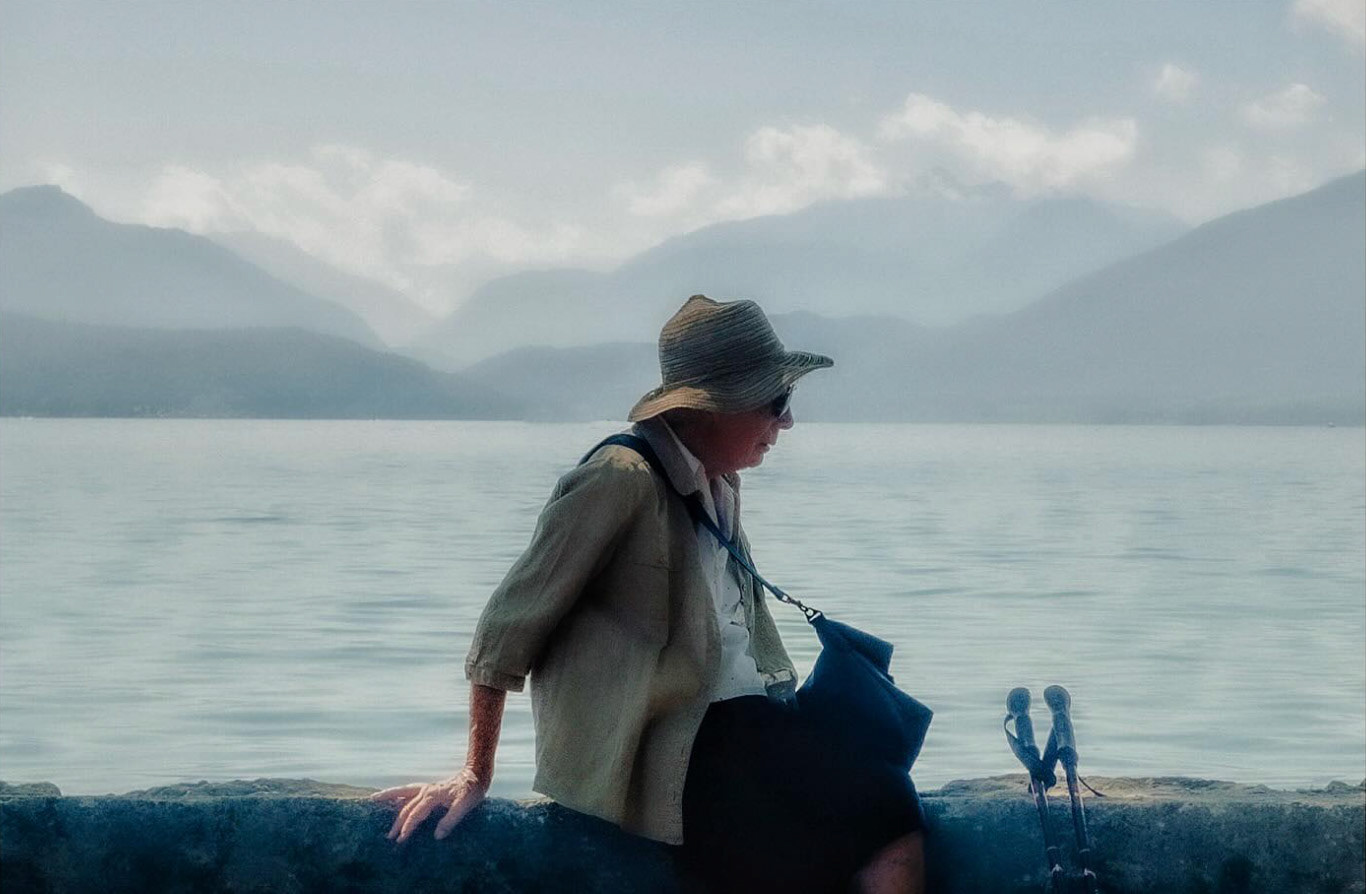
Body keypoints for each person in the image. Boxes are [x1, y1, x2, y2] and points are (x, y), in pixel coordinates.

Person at [373, 295, 926, 893]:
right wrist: (475, 773)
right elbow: (505, 629)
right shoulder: (618, 478)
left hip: (745, 725)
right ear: (712, 406)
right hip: (676, 749)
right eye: (777, 401)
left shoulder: (720, 482)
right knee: (872, 809)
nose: (787, 422)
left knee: (886, 776)